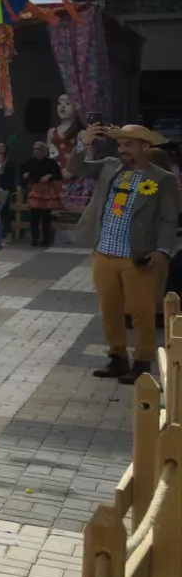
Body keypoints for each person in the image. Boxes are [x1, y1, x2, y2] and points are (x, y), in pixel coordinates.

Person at [73, 124, 180, 383]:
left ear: (145, 147)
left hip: (138, 255)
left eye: (129, 145)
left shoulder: (163, 178)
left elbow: (169, 219)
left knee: (141, 312)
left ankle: (142, 362)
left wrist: (162, 249)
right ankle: (117, 358)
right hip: (103, 252)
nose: (122, 149)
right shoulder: (109, 166)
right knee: (110, 310)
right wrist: (81, 144)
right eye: (120, 144)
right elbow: (76, 169)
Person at [22, 140, 62, 248]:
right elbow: (24, 173)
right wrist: (26, 175)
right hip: (35, 189)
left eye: (39, 149)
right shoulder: (30, 162)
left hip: (46, 190)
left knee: (46, 216)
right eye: (35, 149)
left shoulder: (51, 162)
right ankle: (35, 238)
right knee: (34, 215)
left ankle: (46, 239)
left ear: (45, 151)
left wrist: (50, 175)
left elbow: (58, 175)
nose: (36, 151)